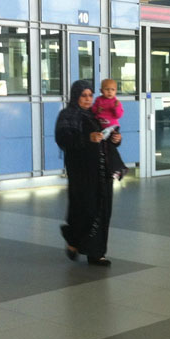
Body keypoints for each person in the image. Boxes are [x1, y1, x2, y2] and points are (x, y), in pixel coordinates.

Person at [55, 79, 122, 266]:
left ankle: (96, 253)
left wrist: (116, 139)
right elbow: (63, 139)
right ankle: (73, 238)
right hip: (82, 171)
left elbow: (107, 138)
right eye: (83, 95)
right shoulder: (67, 115)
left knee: (102, 210)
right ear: (76, 96)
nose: (87, 99)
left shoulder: (96, 115)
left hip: (102, 170)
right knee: (85, 209)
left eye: (90, 95)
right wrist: (87, 137)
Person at [92, 79, 128, 180]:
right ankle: (118, 168)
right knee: (107, 147)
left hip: (112, 127)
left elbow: (119, 115)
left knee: (110, 146)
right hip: (102, 127)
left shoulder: (115, 102)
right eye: (107, 89)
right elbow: (93, 111)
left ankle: (117, 168)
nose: (110, 92)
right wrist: (97, 110)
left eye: (112, 90)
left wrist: (116, 108)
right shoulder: (99, 100)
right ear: (101, 90)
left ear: (116, 91)